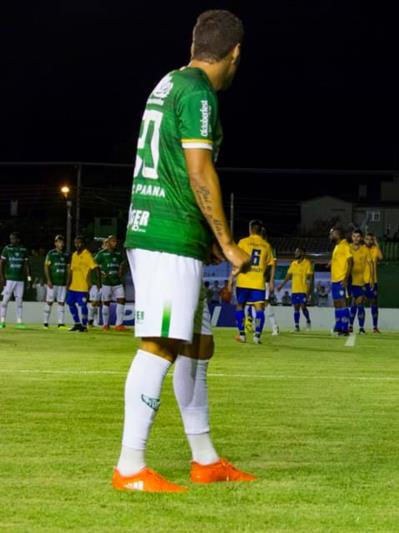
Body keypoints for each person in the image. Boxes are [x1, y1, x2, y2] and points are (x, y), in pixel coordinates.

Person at [113, 10, 254, 493]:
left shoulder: (169, 82)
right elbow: (198, 170)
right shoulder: (198, 94)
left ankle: (205, 458)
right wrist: (228, 242)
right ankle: (130, 467)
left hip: (171, 230)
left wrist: (206, 239)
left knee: (198, 344)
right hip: (167, 234)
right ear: (235, 53)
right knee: (160, 344)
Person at [227, 220, 274, 344]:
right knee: (259, 309)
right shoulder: (266, 245)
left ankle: (242, 335)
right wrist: (263, 276)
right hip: (258, 283)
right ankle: (257, 336)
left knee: (240, 307)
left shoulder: (243, 242)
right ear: (260, 231)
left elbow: (237, 261)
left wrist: (231, 278)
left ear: (250, 229)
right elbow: (270, 265)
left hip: (243, 281)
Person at [66, 235, 101, 332]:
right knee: (70, 303)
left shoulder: (87, 255)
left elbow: (96, 268)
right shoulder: (74, 255)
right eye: (75, 243)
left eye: (79, 243)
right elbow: (71, 270)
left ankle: (84, 325)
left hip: (82, 287)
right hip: (73, 286)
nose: (77, 245)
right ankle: (77, 323)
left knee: (83, 305)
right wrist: (68, 284)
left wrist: (98, 282)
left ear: (83, 244)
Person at [95, 235, 128, 331]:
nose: (115, 243)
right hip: (107, 282)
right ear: (108, 242)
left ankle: (119, 324)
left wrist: (121, 270)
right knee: (106, 303)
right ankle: (105, 324)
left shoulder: (118, 253)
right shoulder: (102, 254)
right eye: (113, 241)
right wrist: (101, 272)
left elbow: (123, 263)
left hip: (117, 282)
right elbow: (93, 264)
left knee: (122, 300)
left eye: (115, 241)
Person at [277, 247, 313, 331]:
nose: (295, 253)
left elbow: (309, 278)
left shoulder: (307, 263)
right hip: (295, 290)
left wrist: (308, 291)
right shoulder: (293, 263)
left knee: (303, 307)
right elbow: (288, 276)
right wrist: (281, 285)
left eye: (297, 252)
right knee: (296, 308)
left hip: (303, 290)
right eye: (295, 252)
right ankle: (297, 326)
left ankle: (308, 321)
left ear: (303, 253)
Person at [0, 232, 31, 329]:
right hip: (9, 279)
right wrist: (2, 277)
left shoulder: (23, 250)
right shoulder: (7, 249)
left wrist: (29, 278)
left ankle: (19, 321)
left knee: (19, 301)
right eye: (10, 238)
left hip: (20, 280)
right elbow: (1, 263)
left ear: (18, 239)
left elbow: (26, 265)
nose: (11, 240)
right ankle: (2, 321)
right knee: (5, 301)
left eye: (13, 238)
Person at [329, 227, 353, 336]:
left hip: (341, 279)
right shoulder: (337, 246)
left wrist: (345, 279)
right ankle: (338, 326)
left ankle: (345, 328)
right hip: (334, 280)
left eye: (332, 234)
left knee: (342, 303)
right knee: (336, 303)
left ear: (338, 234)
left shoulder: (344, 245)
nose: (330, 236)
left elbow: (350, 262)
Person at [348, 229, 371, 334]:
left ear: (361, 238)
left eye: (358, 236)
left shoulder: (365, 249)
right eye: (354, 236)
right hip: (350, 281)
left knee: (360, 303)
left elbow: (369, 265)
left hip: (362, 282)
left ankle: (361, 327)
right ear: (351, 237)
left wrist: (369, 280)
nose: (356, 238)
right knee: (353, 304)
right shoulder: (348, 248)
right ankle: (350, 326)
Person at [364, 232, 383, 333]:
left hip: (373, 281)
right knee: (357, 302)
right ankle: (353, 326)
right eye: (367, 239)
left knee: (374, 303)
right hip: (362, 281)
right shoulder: (362, 249)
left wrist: (377, 243)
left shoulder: (375, 249)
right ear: (364, 239)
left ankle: (375, 327)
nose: (369, 241)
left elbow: (380, 257)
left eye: (371, 239)